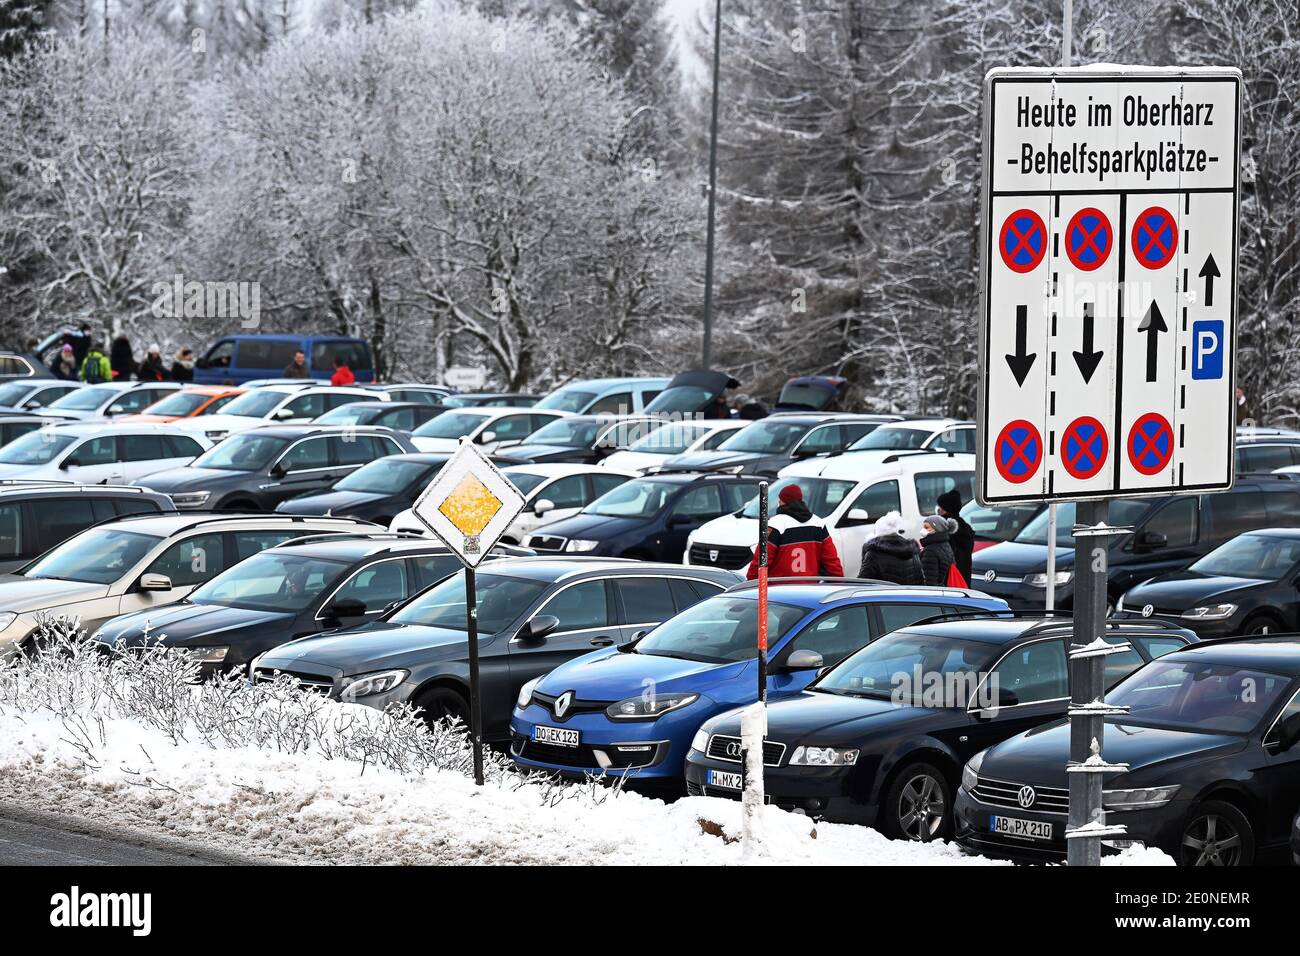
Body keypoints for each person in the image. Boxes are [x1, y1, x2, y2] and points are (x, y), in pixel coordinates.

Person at [746, 483, 843, 580]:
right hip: (811, 590)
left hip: (779, 591)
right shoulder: (818, 523)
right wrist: (839, 583)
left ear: (782, 502)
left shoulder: (775, 524)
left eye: (780, 500)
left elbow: (761, 561)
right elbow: (831, 561)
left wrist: (750, 582)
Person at [857, 512, 924, 584]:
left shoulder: (873, 554)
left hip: (884, 594)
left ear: (878, 531)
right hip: (910, 594)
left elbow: (862, 583)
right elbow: (920, 579)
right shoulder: (912, 551)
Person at [936, 489, 974, 586]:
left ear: (946, 510)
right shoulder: (964, 526)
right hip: (962, 579)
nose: (938, 509)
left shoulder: (946, 528)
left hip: (949, 579)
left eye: (941, 507)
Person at [919, 515, 959, 587]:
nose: (922, 530)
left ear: (937, 529)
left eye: (927, 527)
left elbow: (930, 581)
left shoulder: (930, 550)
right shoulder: (945, 545)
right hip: (944, 590)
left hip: (933, 593)